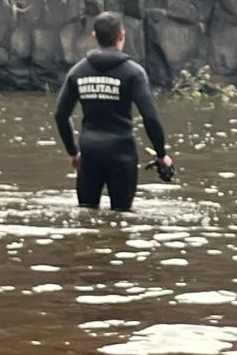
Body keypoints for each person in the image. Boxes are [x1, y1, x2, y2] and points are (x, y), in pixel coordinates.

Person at [54, 12, 173, 210]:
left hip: (90, 154)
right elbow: (150, 117)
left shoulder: (78, 71)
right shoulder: (133, 73)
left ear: (94, 36)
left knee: (86, 215)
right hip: (122, 154)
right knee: (122, 216)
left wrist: (74, 153)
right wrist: (161, 154)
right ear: (121, 36)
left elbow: (60, 115)